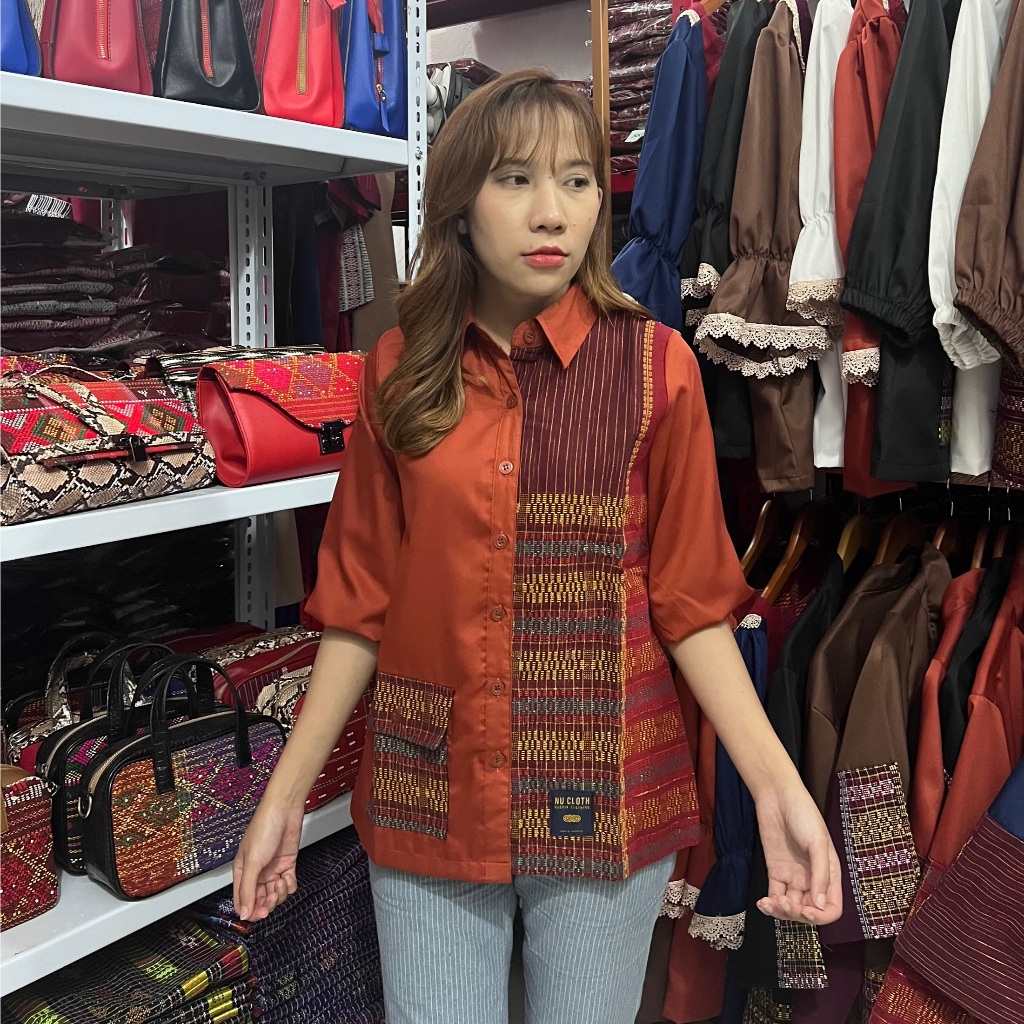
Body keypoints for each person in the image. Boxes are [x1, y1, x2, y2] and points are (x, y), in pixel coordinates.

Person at [232, 68, 842, 1024]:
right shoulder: (399, 371)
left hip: (602, 786)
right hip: (429, 790)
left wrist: (777, 790)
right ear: (458, 204)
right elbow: (358, 605)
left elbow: (692, 605)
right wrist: (285, 796)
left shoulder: (657, 369)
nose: (552, 211)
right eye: (515, 179)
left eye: (578, 180)